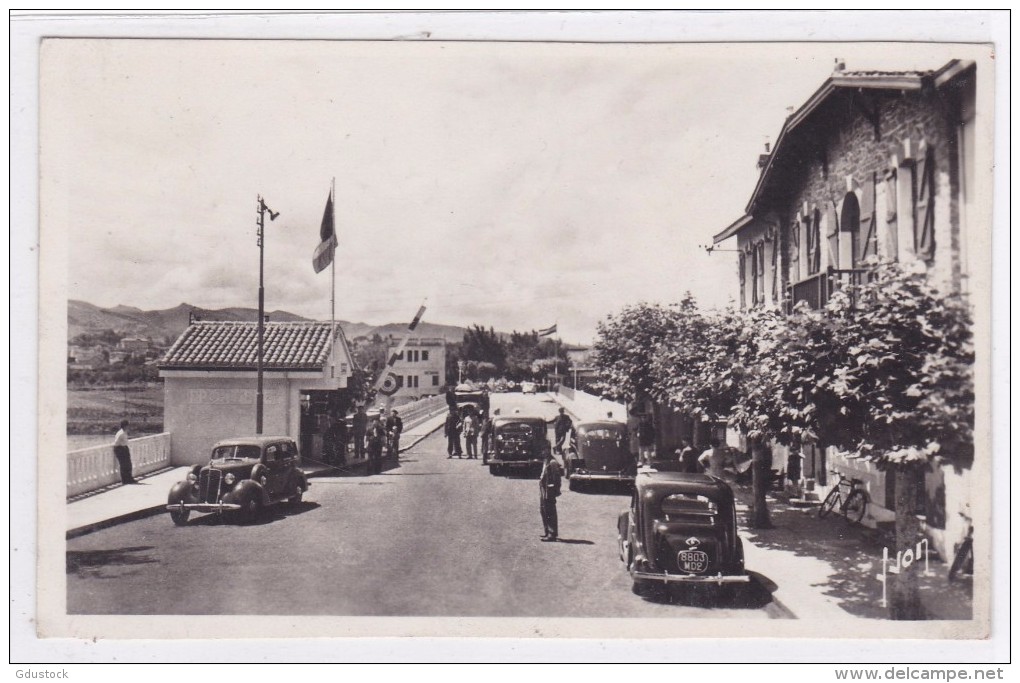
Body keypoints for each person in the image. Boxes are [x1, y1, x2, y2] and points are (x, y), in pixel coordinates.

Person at [539, 449, 563, 541]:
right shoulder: (545, 461)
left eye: (544, 451)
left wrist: (556, 490)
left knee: (550, 511)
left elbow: (557, 478)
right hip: (543, 488)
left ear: (547, 451)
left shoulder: (552, 462)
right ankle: (547, 531)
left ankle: (552, 533)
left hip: (549, 490)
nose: (542, 452)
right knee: (543, 510)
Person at [112, 419, 136, 484]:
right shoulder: (121, 433)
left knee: (128, 464)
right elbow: (117, 443)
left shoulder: (123, 432)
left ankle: (129, 478)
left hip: (123, 448)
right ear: (125, 426)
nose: (129, 427)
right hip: (120, 449)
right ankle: (125, 480)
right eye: (128, 426)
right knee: (123, 465)